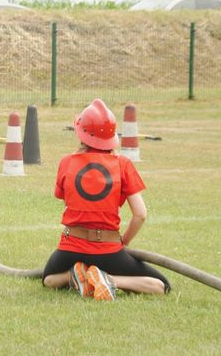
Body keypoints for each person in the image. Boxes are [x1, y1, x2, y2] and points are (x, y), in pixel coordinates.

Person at [42, 99, 170, 300]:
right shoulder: (123, 164)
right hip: (108, 248)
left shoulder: (67, 162)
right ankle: (110, 279)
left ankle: (74, 275)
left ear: (81, 133)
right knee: (161, 286)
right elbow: (140, 215)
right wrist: (123, 242)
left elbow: (62, 197)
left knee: (48, 279)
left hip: (71, 246)